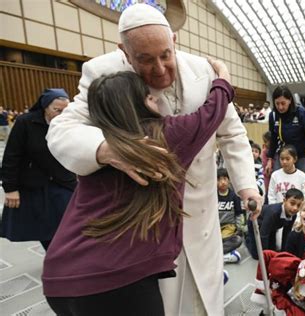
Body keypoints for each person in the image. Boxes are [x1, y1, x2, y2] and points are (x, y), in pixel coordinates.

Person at [45, 4, 261, 315]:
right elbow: (61, 130)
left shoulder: (203, 70)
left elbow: (231, 133)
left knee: (202, 302)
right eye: (145, 60)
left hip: (199, 214)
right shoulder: (102, 72)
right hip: (141, 230)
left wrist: (247, 188)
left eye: (165, 55)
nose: (159, 70)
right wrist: (112, 150)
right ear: (124, 52)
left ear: (174, 40)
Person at [43, 64, 233, 315]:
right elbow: (212, 111)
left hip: (59, 276)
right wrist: (223, 77)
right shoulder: (165, 136)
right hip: (116, 282)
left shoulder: (97, 144)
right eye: (146, 95)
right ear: (133, 105)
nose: (154, 97)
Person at [1, 89, 75, 251]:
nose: (61, 114)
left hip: (63, 181)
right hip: (34, 184)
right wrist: (10, 188)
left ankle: (64, 256)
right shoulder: (25, 122)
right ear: (45, 106)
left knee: (71, 223)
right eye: (57, 110)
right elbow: (12, 156)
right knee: (44, 228)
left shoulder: (69, 123)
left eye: (65, 110)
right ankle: (55, 258)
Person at [265, 85, 305, 175]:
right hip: (283, 155)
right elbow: (273, 138)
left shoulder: (301, 113)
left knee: (300, 186)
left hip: (301, 156)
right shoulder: (272, 115)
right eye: (277, 103)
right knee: (280, 184)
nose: (280, 107)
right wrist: (270, 159)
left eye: (283, 103)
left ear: (290, 100)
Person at [246, 189, 304, 260]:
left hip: (272, 227)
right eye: (292, 203)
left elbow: (286, 233)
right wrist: (265, 256)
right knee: (258, 256)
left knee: (273, 251)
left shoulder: (293, 215)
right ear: (284, 200)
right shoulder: (273, 212)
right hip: (256, 223)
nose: (295, 208)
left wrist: (284, 254)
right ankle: (247, 237)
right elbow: (263, 235)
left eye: (299, 205)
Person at [217, 168, 244, 263]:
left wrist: (239, 229)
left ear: (229, 180)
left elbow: (238, 214)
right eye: (219, 179)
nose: (223, 182)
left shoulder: (234, 196)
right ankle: (225, 255)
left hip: (229, 228)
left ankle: (217, 255)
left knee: (238, 240)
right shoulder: (213, 195)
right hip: (215, 228)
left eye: (225, 178)